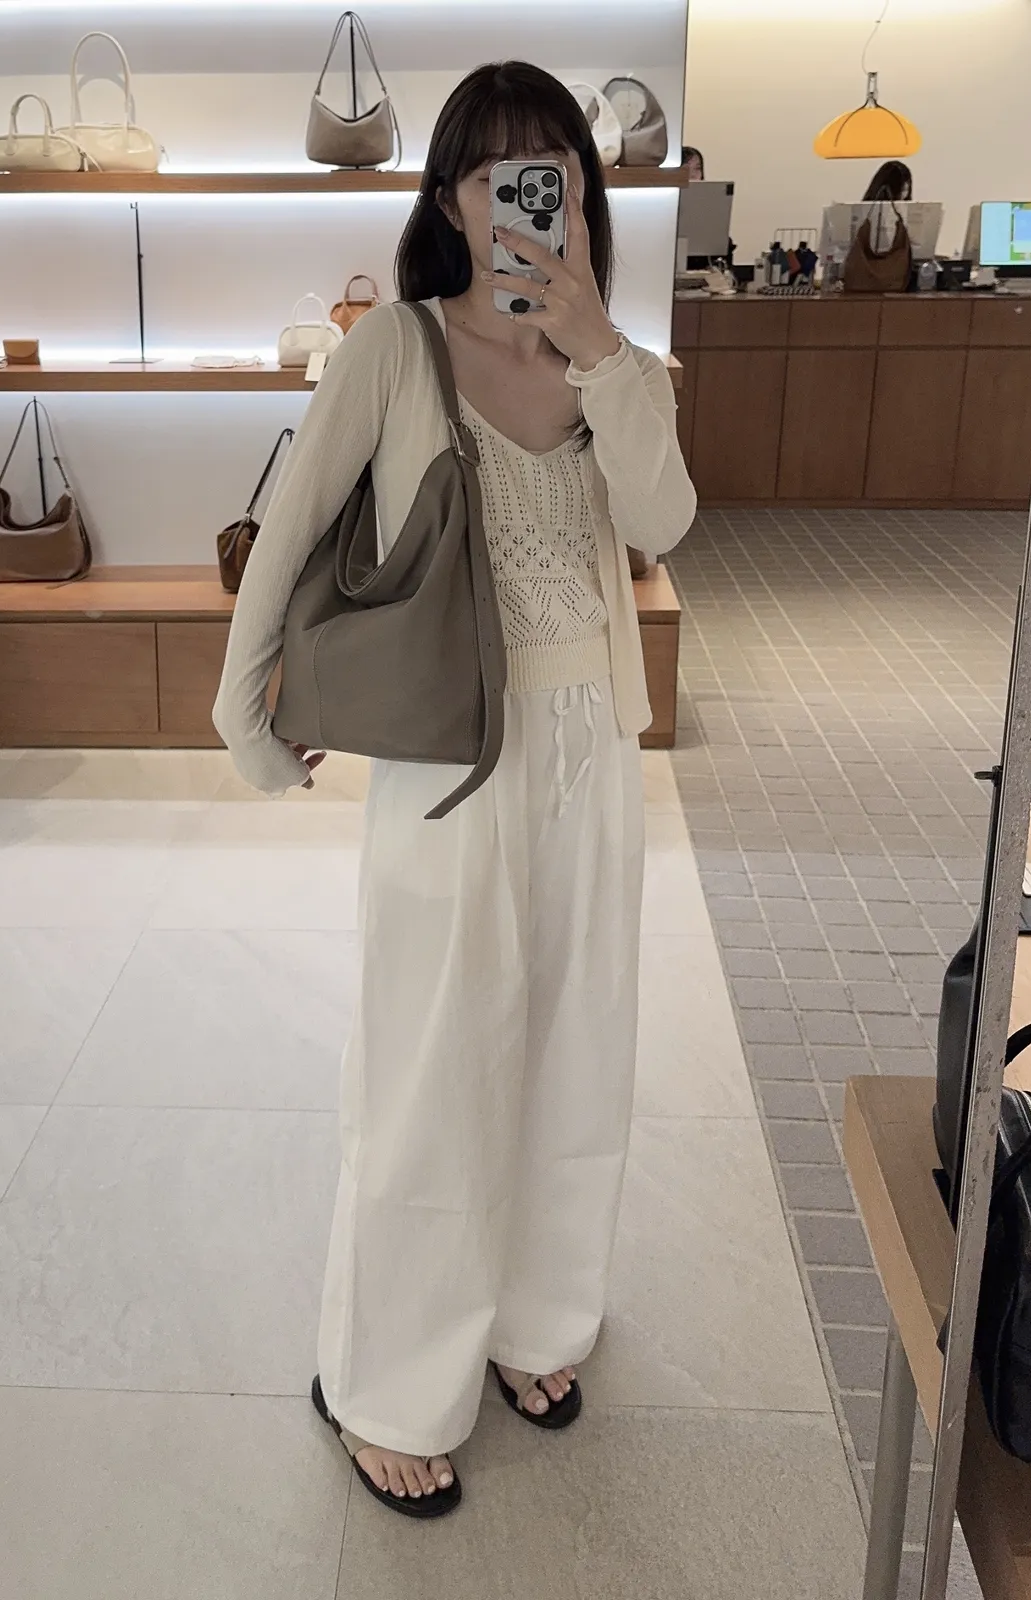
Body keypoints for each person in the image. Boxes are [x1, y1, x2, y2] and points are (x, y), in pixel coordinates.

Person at [213, 61, 695, 1518]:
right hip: (449, 764)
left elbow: (667, 521)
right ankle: (384, 1378)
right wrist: (242, 711)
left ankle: (535, 1319)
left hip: (592, 757)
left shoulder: (623, 370)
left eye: (556, 172)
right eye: (498, 175)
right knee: (435, 1071)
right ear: (449, 202)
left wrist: (598, 348)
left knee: (574, 1050)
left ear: (586, 199)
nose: (529, 200)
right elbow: (290, 528)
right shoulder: (397, 349)